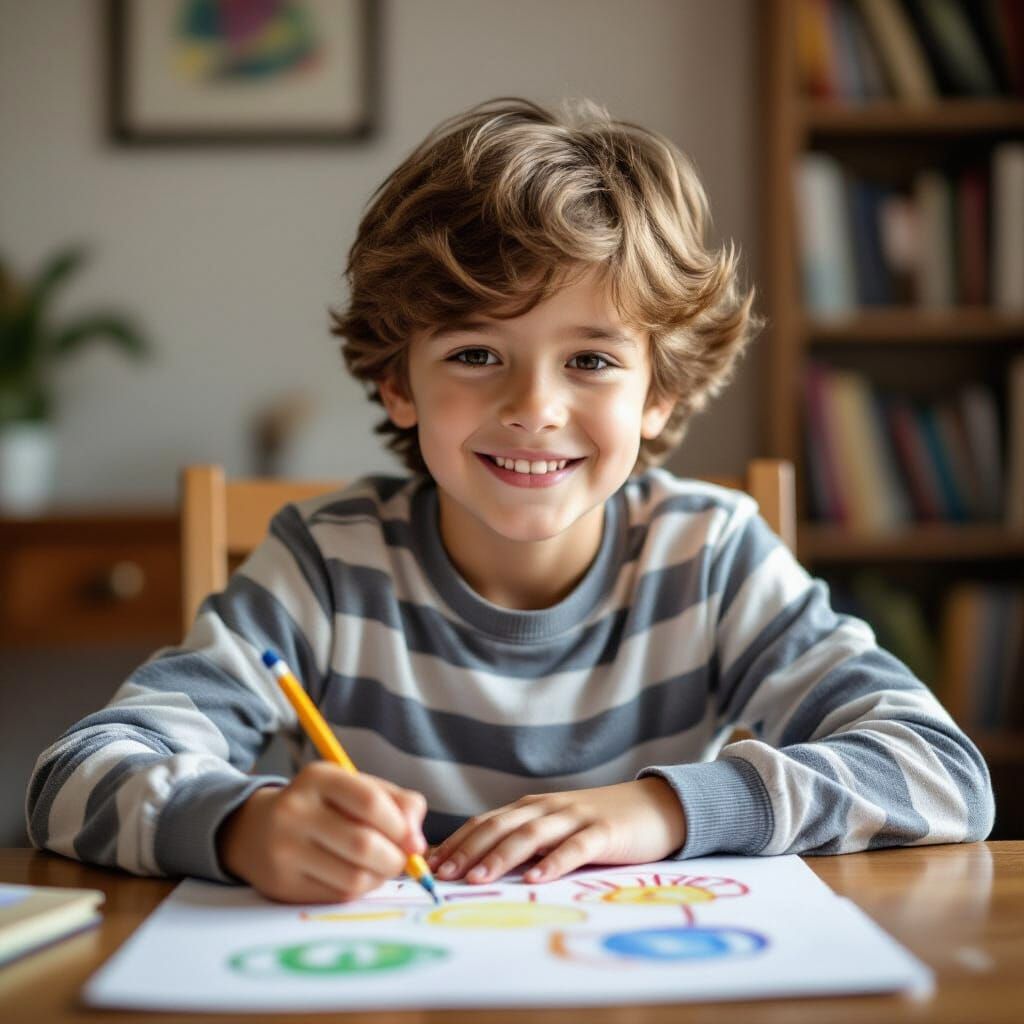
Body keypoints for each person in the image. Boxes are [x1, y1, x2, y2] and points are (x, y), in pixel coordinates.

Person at [26, 97, 993, 904]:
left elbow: (940, 772)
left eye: (591, 360)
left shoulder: (710, 556)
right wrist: (239, 826)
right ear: (397, 382)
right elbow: (73, 775)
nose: (534, 408)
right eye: (476, 354)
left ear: (658, 393)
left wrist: (665, 808)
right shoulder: (328, 565)